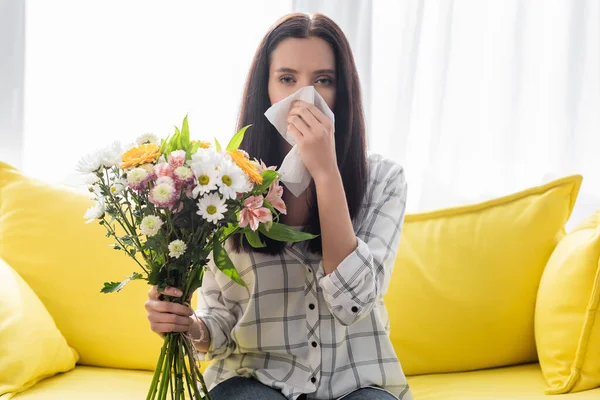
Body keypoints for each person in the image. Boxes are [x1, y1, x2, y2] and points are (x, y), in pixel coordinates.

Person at [145, 13, 412, 400]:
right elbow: (220, 323)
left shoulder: (384, 180)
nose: (305, 96)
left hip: (355, 384)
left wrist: (326, 172)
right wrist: (188, 326)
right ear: (265, 89)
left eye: (324, 81)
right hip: (255, 379)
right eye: (288, 79)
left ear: (344, 92)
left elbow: (353, 303)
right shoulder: (225, 184)